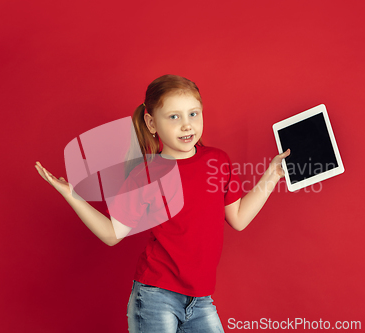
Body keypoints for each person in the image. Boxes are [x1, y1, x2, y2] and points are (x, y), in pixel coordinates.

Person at [35, 74, 290, 332]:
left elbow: (239, 218)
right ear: (151, 122)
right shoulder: (145, 174)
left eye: (194, 114)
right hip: (156, 296)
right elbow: (113, 234)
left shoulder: (218, 160)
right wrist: (72, 195)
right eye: (174, 117)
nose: (187, 125)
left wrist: (273, 175)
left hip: (201, 300)